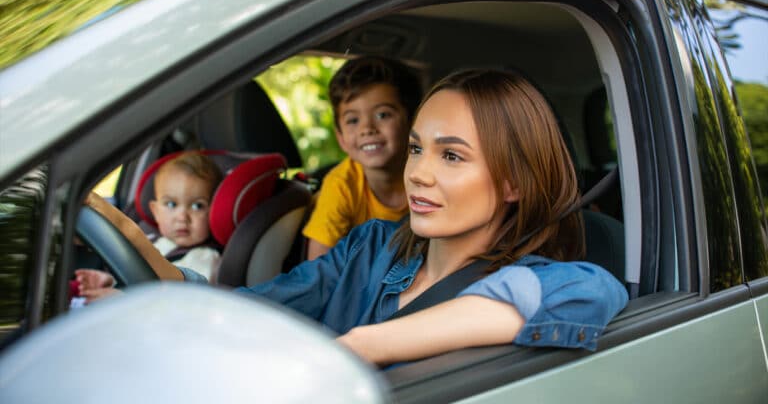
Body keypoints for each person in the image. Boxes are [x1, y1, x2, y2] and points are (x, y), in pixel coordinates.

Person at [79, 69, 628, 366]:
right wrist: (129, 242)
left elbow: (588, 292)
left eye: (451, 156)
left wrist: (364, 346)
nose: (418, 173)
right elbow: (251, 312)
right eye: (417, 149)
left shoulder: (553, 279)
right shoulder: (371, 248)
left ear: (513, 183)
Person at [303, 56, 423, 260]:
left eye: (383, 115)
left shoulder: (428, 174)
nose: (367, 129)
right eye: (353, 120)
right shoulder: (341, 186)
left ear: (413, 122)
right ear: (341, 138)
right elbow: (317, 267)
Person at [76, 152, 223, 297]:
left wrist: (119, 297)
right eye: (171, 204)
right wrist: (109, 280)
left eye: (197, 206)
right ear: (155, 211)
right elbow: (138, 274)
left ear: (214, 211)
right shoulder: (156, 241)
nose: (182, 217)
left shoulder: (206, 257)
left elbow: (185, 299)